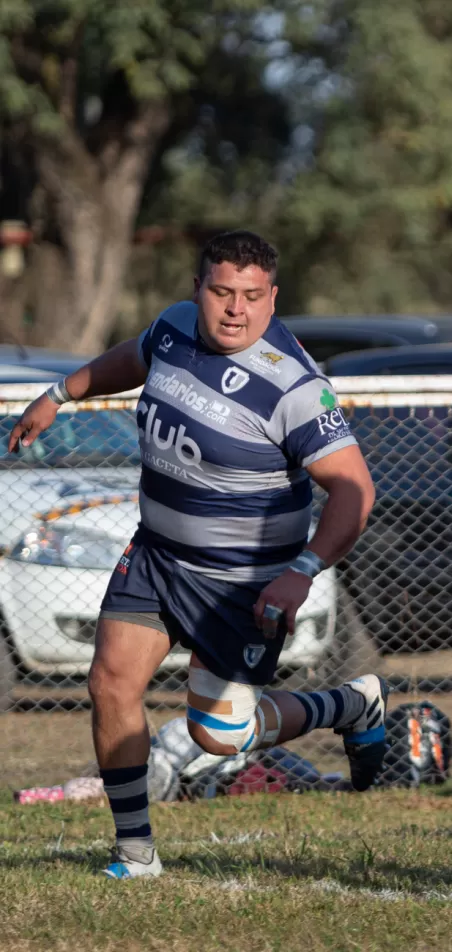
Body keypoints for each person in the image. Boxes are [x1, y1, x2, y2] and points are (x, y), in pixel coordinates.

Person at [7, 231, 385, 879]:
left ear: (273, 299)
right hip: (156, 555)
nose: (235, 309)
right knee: (109, 684)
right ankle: (136, 851)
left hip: (240, 584)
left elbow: (355, 491)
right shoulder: (177, 328)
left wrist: (302, 572)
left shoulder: (294, 388)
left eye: (252, 296)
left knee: (220, 736)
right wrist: (59, 395)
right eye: (221, 292)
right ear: (196, 290)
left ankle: (351, 704)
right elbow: (136, 356)